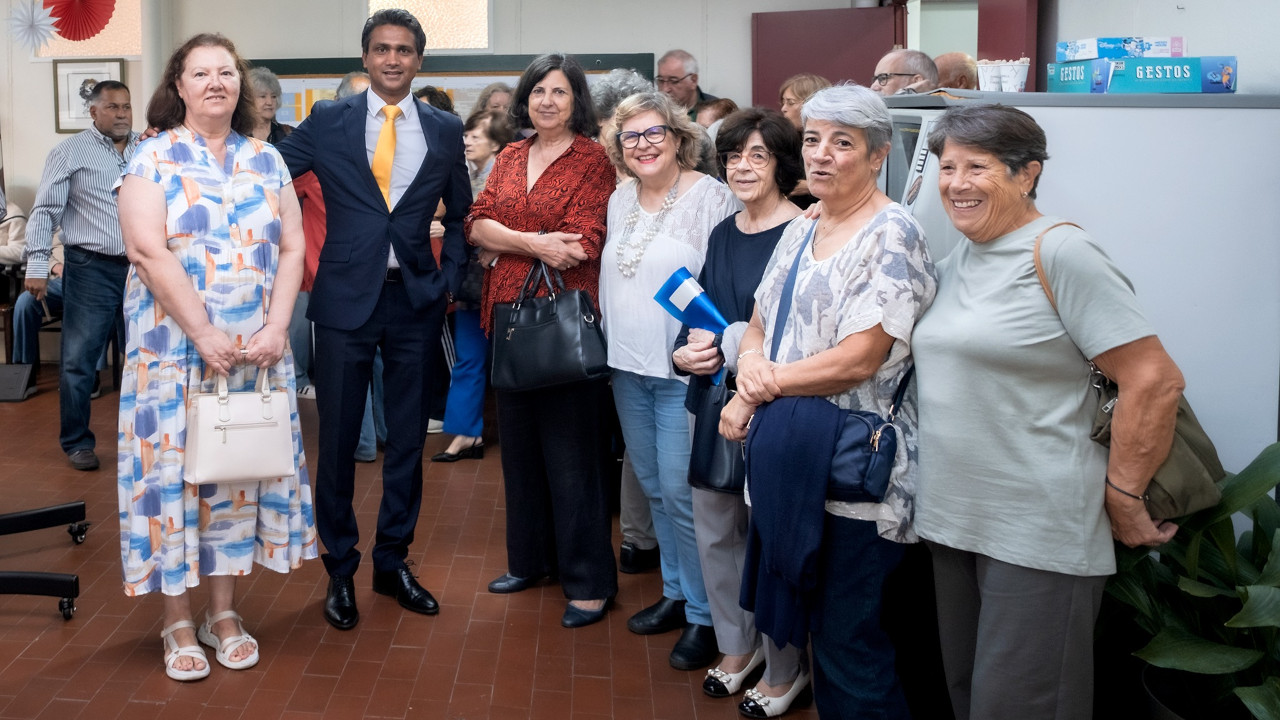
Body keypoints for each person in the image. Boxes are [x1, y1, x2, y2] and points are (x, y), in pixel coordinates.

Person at [912, 104, 1183, 720]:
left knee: (1023, 705)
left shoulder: (1062, 251)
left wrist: (1124, 498)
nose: (956, 183)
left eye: (977, 167)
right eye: (948, 167)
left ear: (1027, 173)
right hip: (954, 519)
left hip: (1036, 526)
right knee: (968, 695)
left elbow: (1154, 379)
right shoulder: (959, 259)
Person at [720, 84, 937, 718]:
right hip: (795, 460)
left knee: (851, 647)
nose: (821, 154)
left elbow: (859, 359)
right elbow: (758, 324)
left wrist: (760, 386)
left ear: (878, 155)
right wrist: (751, 366)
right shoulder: (803, 224)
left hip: (853, 472)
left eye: (842, 143)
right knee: (823, 636)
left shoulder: (892, 235)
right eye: (813, 139)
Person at [115, 32, 316, 683]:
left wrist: (278, 325)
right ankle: (177, 619)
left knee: (234, 476)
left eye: (226, 72)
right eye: (200, 73)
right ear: (178, 85)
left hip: (253, 354)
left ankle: (222, 614)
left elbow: (292, 246)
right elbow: (146, 249)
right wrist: (202, 332)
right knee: (173, 478)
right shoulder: (151, 156)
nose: (215, 83)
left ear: (240, 85)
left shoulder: (267, 159)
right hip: (173, 353)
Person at [274, 8, 472, 630]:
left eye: (404, 50)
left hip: (414, 300)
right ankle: (340, 569)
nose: (392, 59)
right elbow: (267, 171)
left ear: (419, 60)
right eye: (382, 48)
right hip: (342, 301)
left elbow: (461, 214)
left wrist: (448, 278)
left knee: (408, 440)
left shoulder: (444, 128)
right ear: (365, 57)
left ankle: (392, 561)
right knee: (336, 442)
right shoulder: (329, 120)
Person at [466, 53, 618, 629]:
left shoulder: (593, 159)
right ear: (525, 99)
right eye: (537, 91)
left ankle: (589, 583)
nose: (547, 101)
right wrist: (533, 242)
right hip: (507, 324)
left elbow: (581, 243)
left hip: (563, 328)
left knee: (574, 460)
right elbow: (476, 222)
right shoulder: (509, 155)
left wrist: (505, 241)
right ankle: (530, 562)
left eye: (559, 92)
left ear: (577, 101)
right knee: (521, 456)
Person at [670, 108, 807, 715]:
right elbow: (699, 311)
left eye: (758, 155)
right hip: (711, 399)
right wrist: (686, 352)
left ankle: (784, 666)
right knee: (715, 531)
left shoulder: (804, 231)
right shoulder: (725, 231)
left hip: (775, 404)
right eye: (733, 156)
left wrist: (732, 353)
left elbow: (800, 335)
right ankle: (735, 646)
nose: (743, 167)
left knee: (770, 539)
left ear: (782, 164)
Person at [602, 90, 741, 670]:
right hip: (625, 368)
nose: (643, 145)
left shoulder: (712, 197)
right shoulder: (619, 198)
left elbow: (729, 277)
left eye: (654, 132)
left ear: (679, 137)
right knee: (655, 489)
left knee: (687, 498)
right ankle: (677, 593)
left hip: (681, 374)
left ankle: (707, 617)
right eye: (631, 136)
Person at [25, 80, 138, 471]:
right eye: (113, 107)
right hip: (91, 268)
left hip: (143, 268)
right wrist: (37, 265)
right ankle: (77, 442)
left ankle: (143, 438)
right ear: (93, 112)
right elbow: (44, 211)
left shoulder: (148, 147)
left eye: (126, 106)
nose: (122, 114)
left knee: (146, 356)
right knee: (78, 360)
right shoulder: (69, 152)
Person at [431, 110, 513, 463]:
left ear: (495, 144)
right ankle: (466, 433)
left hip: (505, 285)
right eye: (466, 135)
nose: (466, 141)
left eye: (475, 136)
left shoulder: (507, 178)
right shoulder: (468, 174)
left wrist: (457, 229)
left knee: (509, 362)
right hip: (473, 284)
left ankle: (505, 434)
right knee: (468, 358)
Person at [657, 49, 717, 120]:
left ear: (693, 80)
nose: (665, 89)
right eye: (660, 80)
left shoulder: (717, 110)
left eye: (674, 81)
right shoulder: (652, 111)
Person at [246, 66, 293, 143]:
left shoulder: (289, 135)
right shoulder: (236, 135)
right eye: (263, 96)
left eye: (273, 96)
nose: (269, 102)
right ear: (248, 99)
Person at [871, 49, 939, 96]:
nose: (873, 87)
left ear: (917, 81)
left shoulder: (940, 111)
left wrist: (907, 92)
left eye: (883, 78)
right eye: (875, 79)